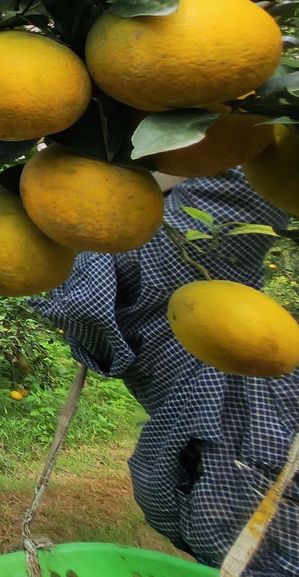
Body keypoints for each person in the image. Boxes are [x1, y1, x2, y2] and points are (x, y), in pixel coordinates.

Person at [33, 168, 299, 575]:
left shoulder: (83, 284)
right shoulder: (191, 247)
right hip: (236, 474)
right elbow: (260, 160)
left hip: (213, 482)